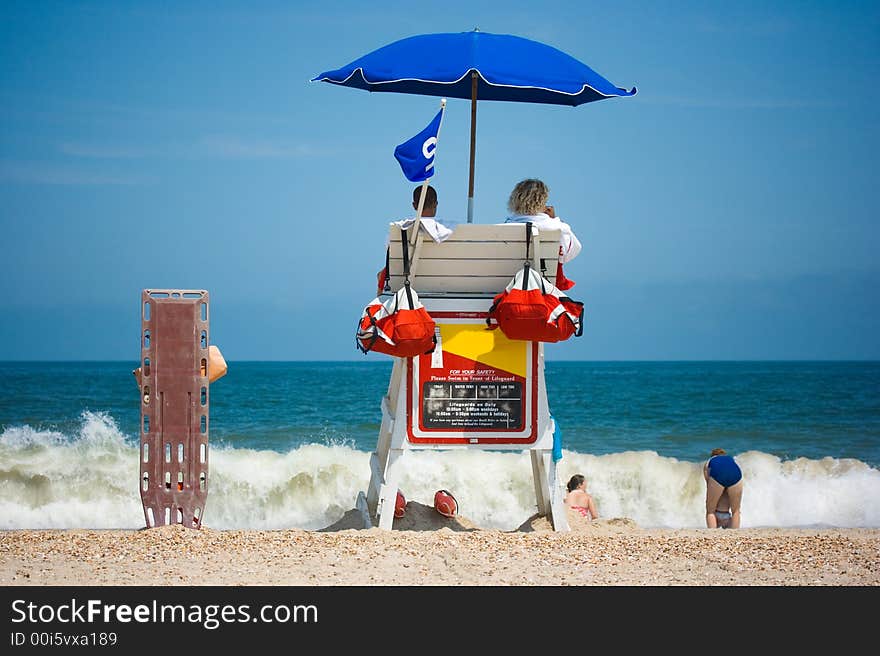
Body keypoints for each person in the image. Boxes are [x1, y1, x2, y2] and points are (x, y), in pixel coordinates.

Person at [503, 178, 582, 264]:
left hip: (510, 276)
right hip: (549, 276)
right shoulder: (558, 227)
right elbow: (568, 255)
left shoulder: (504, 228)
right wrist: (554, 219)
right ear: (541, 202)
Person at [703, 448, 743, 529]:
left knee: (710, 510)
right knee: (736, 511)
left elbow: (708, 483)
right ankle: (735, 534)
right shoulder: (730, 459)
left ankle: (713, 534)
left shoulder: (710, 461)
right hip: (736, 475)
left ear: (713, 455)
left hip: (718, 474)